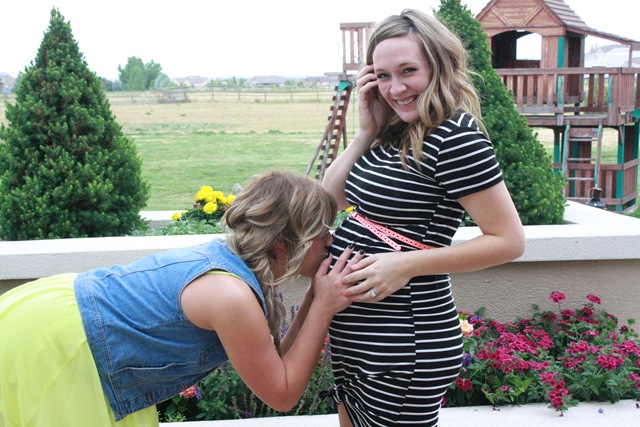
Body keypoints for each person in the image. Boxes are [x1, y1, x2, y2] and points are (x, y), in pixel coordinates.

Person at [0, 170, 363, 427]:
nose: (331, 241)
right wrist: (324, 307)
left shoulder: (231, 267)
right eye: (323, 232)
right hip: (62, 344)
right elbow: (281, 394)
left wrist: (317, 297)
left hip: (59, 315)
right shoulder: (230, 295)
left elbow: (279, 364)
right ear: (287, 245)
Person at [321, 9, 526, 427]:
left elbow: (508, 240)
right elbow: (330, 201)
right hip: (361, 337)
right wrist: (364, 132)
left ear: (438, 64)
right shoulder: (391, 131)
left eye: (408, 71)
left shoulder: (455, 137)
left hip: (404, 339)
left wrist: (406, 264)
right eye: (382, 75)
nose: (395, 88)